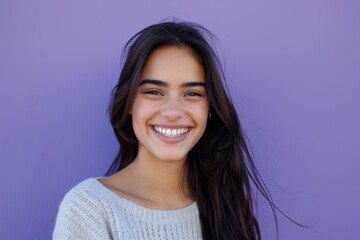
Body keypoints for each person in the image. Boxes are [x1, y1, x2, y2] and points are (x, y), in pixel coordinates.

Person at [53, 21, 273, 240]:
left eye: (192, 93)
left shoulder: (225, 207)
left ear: (210, 108)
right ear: (129, 102)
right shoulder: (89, 210)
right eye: (154, 91)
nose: (173, 112)